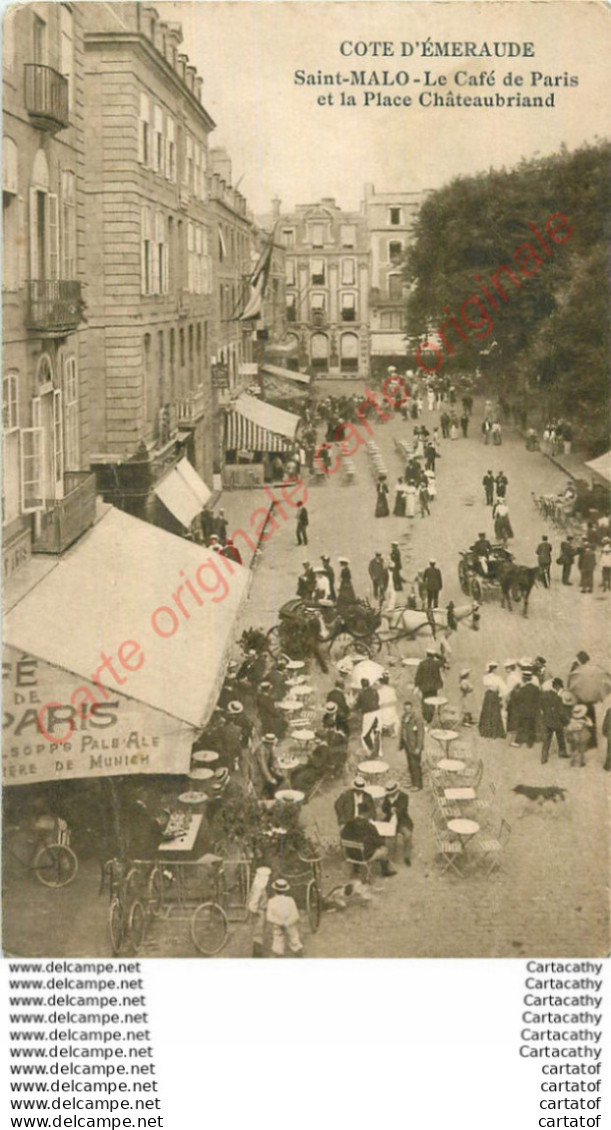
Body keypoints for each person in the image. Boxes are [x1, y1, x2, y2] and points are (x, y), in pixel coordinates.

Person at [266, 879, 303, 957]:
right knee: (296, 943)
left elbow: (269, 917)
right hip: (290, 925)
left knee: (278, 948)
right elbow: (295, 915)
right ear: (286, 890)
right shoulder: (290, 900)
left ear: (275, 890)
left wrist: (281, 923)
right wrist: (287, 923)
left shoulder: (271, 901)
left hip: (277, 927)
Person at [381, 781, 414, 866]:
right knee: (391, 838)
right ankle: (391, 857)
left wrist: (394, 809)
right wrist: (389, 809)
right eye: (389, 793)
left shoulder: (404, 796)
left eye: (392, 793)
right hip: (390, 821)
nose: (390, 794)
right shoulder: (387, 797)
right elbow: (384, 809)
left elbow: (403, 809)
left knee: (408, 835)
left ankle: (407, 856)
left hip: (402, 821)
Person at [540, 678, 570, 763]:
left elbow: (541, 708)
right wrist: (566, 722)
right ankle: (562, 752)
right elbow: (561, 712)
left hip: (546, 720)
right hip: (556, 721)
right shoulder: (557, 698)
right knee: (560, 736)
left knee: (546, 740)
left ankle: (544, 757)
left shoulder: (542, 697)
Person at [510, 668, 541, 749]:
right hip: (533, 711)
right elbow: (539, 699)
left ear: (524, 679)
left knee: (521, 726)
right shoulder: (536, 688)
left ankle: (518, 741)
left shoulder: (522, 689)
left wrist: (515, 690)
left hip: (523, 711)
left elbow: (515, 699)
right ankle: (530, 742)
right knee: (531, 725)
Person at [399, 700, 424, 789]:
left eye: (409, 709)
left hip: (414, 746)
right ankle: (413, 782)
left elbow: (420, 734)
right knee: (410, 765)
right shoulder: (404, 717)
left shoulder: (417, 719)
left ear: (412, 708)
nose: (407, 711)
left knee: (415, 765)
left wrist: (418, 747)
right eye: (405, 709)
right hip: (407, 745)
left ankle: (418, 785)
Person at [414, 647, 443, 723]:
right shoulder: (436, 663)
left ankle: (425, 717)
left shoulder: (422, 664)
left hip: (425, 687)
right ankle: (430, 717)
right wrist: (437, 654)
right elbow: (444, 660)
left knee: (425, 701)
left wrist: (417, 685)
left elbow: (418, 676)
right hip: (434, 686)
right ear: (433, 655)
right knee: (433, 700)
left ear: (426, 654)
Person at [478, 661, 506, 739]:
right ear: (493, 669)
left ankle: (486, 731)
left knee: (487, 712)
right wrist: (500, 695)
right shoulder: (497, 678)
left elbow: (485, 684)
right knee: (495, 713)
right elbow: (504, 689)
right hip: (494, 695)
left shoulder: (485, 677)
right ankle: (494, 732)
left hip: (488, 695)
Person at [248, 867, 271, 957]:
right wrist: (257, 912)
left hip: (260, 912)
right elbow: (253, 904)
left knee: (258, 935)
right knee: (258, 936)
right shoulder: (260, 888)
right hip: (260, 912)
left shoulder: (256, 885)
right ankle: (257, 956)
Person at [251, 734, 283, 799]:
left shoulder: (269, 748)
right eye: (271, 743)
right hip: (257, 772)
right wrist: (270, 779)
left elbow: (274, 759)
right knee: (262, 785)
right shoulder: (261, 750)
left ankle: (270, 794)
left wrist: (277, 769)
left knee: (280, 778)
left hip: (266, 770)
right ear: (267, 743)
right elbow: (263, 766)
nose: (272, 745)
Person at [356, 678, 382, 755]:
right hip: (377, 712)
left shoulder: (361, 693)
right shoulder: (374, 691)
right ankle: (378, 751)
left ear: (362, 685)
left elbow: (358, 705)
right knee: (376, 732)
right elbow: (377, 700)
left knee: (364, 735)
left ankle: (370, 750)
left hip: (368, 714)